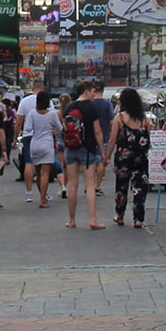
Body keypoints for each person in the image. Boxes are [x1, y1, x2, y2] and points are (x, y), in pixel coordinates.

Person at [60, 84, 104, 229]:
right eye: (92, 92)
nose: (94, 95)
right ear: (86, 91)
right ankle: (93, 220)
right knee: (90, 184)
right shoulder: (91, 107)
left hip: (71, 148)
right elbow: (97, 131)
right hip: (87, 149)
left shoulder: (69, 107)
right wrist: (102, 151)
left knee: (72, 184)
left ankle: (72, 220)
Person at [110, 88, 152, 229]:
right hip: (141, 157)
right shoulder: (144, 119)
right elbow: (149, 137)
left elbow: (112, 140)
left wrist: (106, 156)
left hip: (123, 157)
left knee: (122, 186)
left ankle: (120, 215)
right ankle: (138, 218)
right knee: (139, 187)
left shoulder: (120, 118)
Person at [25, 92, 60, 207]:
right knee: (45, 174)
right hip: (47, 145)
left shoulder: (32, 113)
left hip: (35, 144)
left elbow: (28, 128)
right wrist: (53, 131)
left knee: (39, 174)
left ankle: (42, 196)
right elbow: (60, 128)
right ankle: (42, 199)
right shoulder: (52, 114)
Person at [88, 80, 115, 197]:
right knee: (101, 162)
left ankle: (89, 185)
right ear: (103, 91)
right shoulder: (107, 104)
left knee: (91, 162)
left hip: (89, 136)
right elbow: (111, 122)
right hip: (104, 136)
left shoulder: (89, 104)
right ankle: (97, 186)